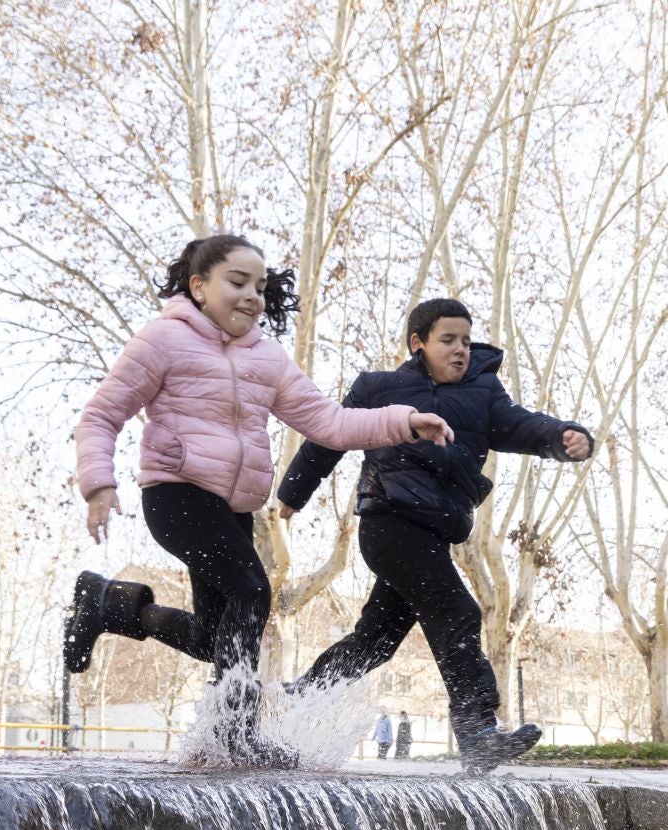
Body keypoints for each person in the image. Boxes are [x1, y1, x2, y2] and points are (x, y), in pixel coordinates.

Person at [62, 234, 455, 768]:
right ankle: (233, 736)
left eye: (261, 287)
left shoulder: (266, 357)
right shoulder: (162, 340)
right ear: (199, 286)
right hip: (176, 492)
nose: (253, 296)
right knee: (250, 590)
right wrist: (99, 484)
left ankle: (110, 605)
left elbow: (330, 422)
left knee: (212, 635)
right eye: (238, 282)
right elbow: (101, 414)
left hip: (234, 510)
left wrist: (403, 421)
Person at [276, 297, 593, 773]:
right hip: (389, 523)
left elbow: (524, 426)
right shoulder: (380, 388)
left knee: (376, 641)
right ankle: (477, 729)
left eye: (466, 340)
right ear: (418, 343)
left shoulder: (482, 395)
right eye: (448, 340)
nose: (461, 350)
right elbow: (330, 437)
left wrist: (563, 436)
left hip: (433, 534)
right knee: (457, 611)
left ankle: (295, 700)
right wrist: (293, 492)